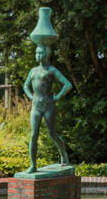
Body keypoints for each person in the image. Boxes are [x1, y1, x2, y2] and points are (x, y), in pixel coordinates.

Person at [22, 44, 72, 172]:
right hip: (36, 106)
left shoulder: (52, 70)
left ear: (47, 54)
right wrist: (31, 97)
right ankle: (33, 165)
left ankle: (63, 154)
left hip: (49, 105)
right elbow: (25, 86)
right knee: (34, 134)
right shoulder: (32, 71)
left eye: (40, 53)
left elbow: (67, 85)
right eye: (37, 53)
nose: (38, 55)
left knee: (52, 133)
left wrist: (57, 97)